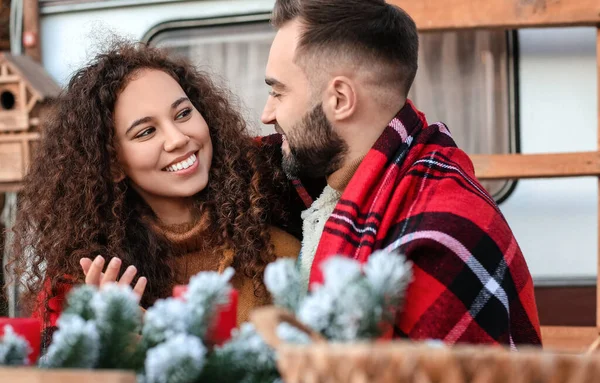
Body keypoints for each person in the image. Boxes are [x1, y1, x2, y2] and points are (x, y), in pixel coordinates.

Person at [261, 0, 541, 346]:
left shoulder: (438, 240)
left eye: (277, 92)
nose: (267, 113)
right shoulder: (347, 176)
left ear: (339, 100)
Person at [9, 41, 301, 345]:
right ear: (113, 164)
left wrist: (157, 336)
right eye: (146, 131)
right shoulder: (86, 282)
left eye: (184, 113)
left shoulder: (277, 256)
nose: (177, 138)